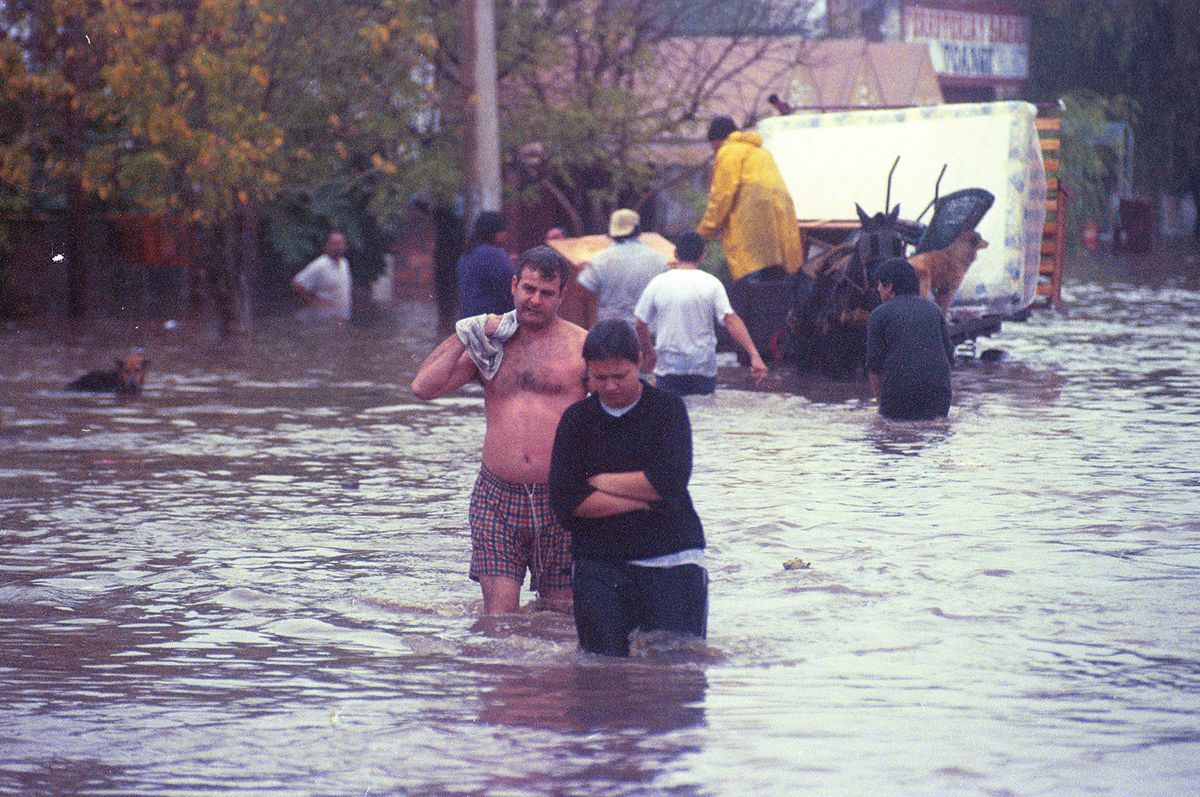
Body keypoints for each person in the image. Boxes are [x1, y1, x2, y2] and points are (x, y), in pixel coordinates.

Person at [411, 246, 587, 615]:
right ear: (513, 286)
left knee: (559, 620)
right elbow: (424, 388)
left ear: (562, 295)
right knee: (499, 620)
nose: (534, 300)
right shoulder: (490, 343)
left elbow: (618, 409)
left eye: (546, 293)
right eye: (528, 289)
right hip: (497, 498)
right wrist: (466, 332)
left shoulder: (581, 347)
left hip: (561, 497)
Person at [548, 319, 707, 657]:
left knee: (677, 669)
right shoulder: (575, 421)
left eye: (619, 376)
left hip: (671, 558)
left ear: (640, 361)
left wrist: (600, 483)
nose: (609, 386)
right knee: (599, 668)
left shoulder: (669, 411)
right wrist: (645, 500)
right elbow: (567, 501)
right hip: (598, 562)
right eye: (599, 378)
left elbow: (669, 481)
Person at [633, 232, 768, 396]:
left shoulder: (658, 283)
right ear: (703, 256)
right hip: (702, 366)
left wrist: (648, 351)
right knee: (703, 414)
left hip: (668, 366)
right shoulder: (712, 283)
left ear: (675, 254)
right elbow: (731, 320)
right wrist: (754, 355)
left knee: (670, 414)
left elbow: (640, 323)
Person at [696, 116, 803, 286]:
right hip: (778, 239)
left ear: (717, 140)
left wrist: (702, 234)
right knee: (773, 290)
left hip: (750, 237)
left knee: (750, 291)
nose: (714, 150)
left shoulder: (729, 151)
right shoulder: (762, 153)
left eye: (712, 145)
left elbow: (722, 196)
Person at [865, 258, 954, 420]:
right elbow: (949, 357)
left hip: (898, 401)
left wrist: (881, 405)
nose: (878, 289)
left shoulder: (878, 314)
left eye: (879, 284)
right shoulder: (934, 310)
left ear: (889, 287)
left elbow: (874, 366)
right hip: (939, 401)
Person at [576, 208, 669, 326]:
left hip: (610, 332)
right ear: (638, 230)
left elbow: (582, 290)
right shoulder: (659, 260)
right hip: (647, 334)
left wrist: (580, 271)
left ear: (612, 232)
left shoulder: (600, 260)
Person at [457, 211, 515, 319]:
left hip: (468, 321)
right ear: (495, 232)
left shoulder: (467, 254)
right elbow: (510, 291)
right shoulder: (496, 255)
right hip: (490, 323)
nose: (506, 235)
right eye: (504, 231)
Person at [291, 231, 352, 322]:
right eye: (334, 244)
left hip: (342, 317)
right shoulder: (320, 265)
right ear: (327, 246)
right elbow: (296, 283)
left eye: (341, 243)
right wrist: (313, 301)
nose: (338, 247)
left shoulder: (344, 263)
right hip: (324, 319)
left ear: (345, 246)